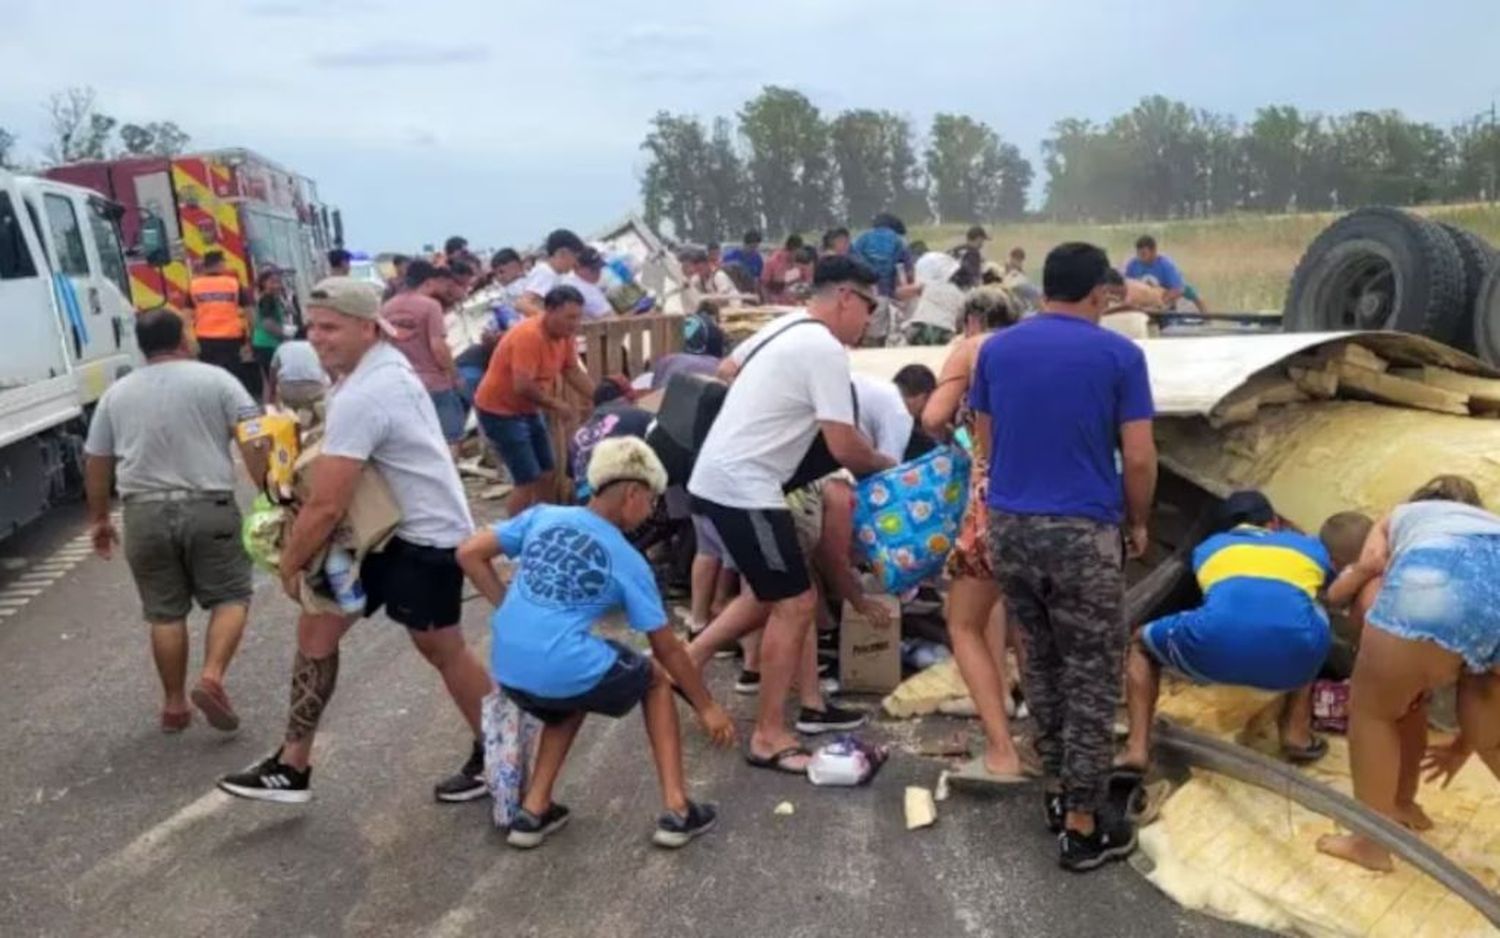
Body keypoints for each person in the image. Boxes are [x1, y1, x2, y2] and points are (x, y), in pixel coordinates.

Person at [217, 277, 494, 805]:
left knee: (442, 648)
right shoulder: (375, 368)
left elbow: (325, 505)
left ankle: (502, 751)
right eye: (313, 326)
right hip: (381, 534)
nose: (317, 338)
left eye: (331, 327)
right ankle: (292, 764)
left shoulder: (367, 391)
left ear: (368, 327)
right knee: (318, 627)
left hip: (422, 537)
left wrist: (289, 563)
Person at [973, 242, 1157, 871]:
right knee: (1093, 675)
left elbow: (985, 443)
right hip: (1082, 532)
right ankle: (1083, 825)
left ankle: (1056, 788)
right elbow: (1137, 456)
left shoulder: (995, 350)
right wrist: (1137, 521)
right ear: (1100, 294)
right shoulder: (1120, 356)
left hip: (1011, 529)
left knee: (1043, 663)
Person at [456, 438, 734, 849]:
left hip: (509, 663)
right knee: (654, 678)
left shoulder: (544, 515)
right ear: (633, 494)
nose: (652, 512)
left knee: (572, 691)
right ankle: (678, 810)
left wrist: (508, 607)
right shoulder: (627, 559)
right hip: (558, 665)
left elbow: (469, 552)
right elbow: (667, 648)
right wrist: (706, 706)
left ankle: (533, 813)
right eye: (652, 501)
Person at [688, 255, 896, 773]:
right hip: (746, 485)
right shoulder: (823, 347)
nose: (868, 322)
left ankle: (684, 663)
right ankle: (769, 735)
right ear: (846, 297)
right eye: (868, 308)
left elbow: (726, 368)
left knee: (770, 591)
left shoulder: (785, 323)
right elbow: (844, 445)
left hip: (724, 475)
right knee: (797, 602)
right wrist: (886, 465)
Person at [83, 309, 267, 734]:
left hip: (143, 512)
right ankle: (213, 677)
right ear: (184, 338)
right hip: (209, 506)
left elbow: (96, 461)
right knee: (231, 596)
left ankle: (173, 705)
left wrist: (99, 519)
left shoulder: (117, 393)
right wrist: (269, 493)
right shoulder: (219, 380)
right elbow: (254, 438)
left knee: (164, 613)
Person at [1316, 475, 1500, 872]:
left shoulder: (1399, 516)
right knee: (1493, 738)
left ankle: (1370, 844)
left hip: (1432, 592)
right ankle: (1403, 802)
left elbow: (1371, 566)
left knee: (1373, 713)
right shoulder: (1490, 529)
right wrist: (1465, 743)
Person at [1118, 491, 1339, 776]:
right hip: (1293, 659)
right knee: (1308, 615)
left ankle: (1137, 748)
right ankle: (1297, 733)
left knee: (1140, 644)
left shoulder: (1209, 548)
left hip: (1212, 649)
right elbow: (1335, 590)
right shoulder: (1308, 546)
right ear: (1273, 522)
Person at [920, 289, 1027, 784]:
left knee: (964, 619)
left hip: (992, 493)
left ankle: (1002, 749)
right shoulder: (1034, 346)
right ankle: (1043, 735)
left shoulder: (973, 347)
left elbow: (932, 416)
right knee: (1029, 617)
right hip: (1048, 496)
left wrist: (962, 440)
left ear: (972, 319)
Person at [474, 285, 595, 519]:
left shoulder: (565, 337)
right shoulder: (529, 336)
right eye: (570, 317)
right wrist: (557, 405)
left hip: (528, 410)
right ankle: (514, 538)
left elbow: (571, 370)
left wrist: (599, 397)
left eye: (578, 317)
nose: (575, 324)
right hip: (499, 411)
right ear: (549, 310)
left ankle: (545, 525)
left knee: (547, 472)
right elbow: (523, 385)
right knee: (526, 479)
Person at [382, 261, 467, 457]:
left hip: (402, 383)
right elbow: (438, 346)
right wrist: (454, 375)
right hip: (433, 383)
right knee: (451, 438)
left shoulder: (387, 308)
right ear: (429, 282)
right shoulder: (430, 306)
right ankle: (447, 481)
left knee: (418, 443)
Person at [569, 378, 653, 499]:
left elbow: (572, 474)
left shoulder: (578, 434)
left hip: (585, 498)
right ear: (627, 397)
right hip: (616, 498)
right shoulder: (639, 416)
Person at [188, 250, 256, 392]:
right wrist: (252, 337)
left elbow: (186, 317)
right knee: (232, 376)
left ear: (206, 266)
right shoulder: (234, 284)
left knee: (210, 376)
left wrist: (191, 341)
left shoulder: (194, 286)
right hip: (231, 339)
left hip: (205, 339)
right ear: (220, 264)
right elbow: (250, 314)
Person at [906, 248, 981, 346]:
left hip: (917, 329)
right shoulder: (966, 294)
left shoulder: (932, 284)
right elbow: (961, 322)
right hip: (945, 333)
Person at [1124, 236, 1207, 314]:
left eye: (1143, 254)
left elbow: (1178, 289)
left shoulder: (1166, 265)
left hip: (1164, 298)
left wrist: (1160, 303)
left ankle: (1207, 319)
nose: (1140, 258)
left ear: (1154, 251)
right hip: (1143, 301)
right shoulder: (1133, 264)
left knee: (1194, 295)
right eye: (1138, 254)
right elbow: (1126, 285)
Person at [516, 229, 586, 319]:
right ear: (563, 253)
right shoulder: (545, 273)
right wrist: (551, 321)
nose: (576, 263)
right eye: (575, 257)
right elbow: (521, 304)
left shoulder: (556, 275)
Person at [251, 268, 295, 397]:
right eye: (273, 282)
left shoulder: (270, 298)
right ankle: (274, 411)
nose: (277, 285)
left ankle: (269, 411)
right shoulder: (267, 299)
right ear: (263, 283)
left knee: (268, 383)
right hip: (268, 345)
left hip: (262, 344)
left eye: (278, 282)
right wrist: (285, 335)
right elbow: (267, 323)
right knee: (274, 383)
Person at [851, 213, 912, 299]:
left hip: (862, 296)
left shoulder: (860, 239)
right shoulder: (899, 241)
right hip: (889, 297)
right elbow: (908, 274)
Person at [269, 336, 328, 411]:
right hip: (314, 389)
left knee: (287, 408)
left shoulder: (282, 346)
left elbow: (273, 370)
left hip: (288, 390)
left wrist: (272, 393)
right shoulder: (315, 346)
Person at [564, 248, 617, 320]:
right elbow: (611, 320)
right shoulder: (584, 289)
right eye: (593, 269)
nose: (598, 273)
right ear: (578, 267)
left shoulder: (571, 279)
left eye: (599, 268)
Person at [761, 235, 806, 304]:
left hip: (792, 303)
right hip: (775, 303)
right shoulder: (773, 261)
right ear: (793, 249)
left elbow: (797, 283)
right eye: (797, 253)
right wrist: (767, 302)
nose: (798, 256)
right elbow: (763, 284)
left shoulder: (796, 263)